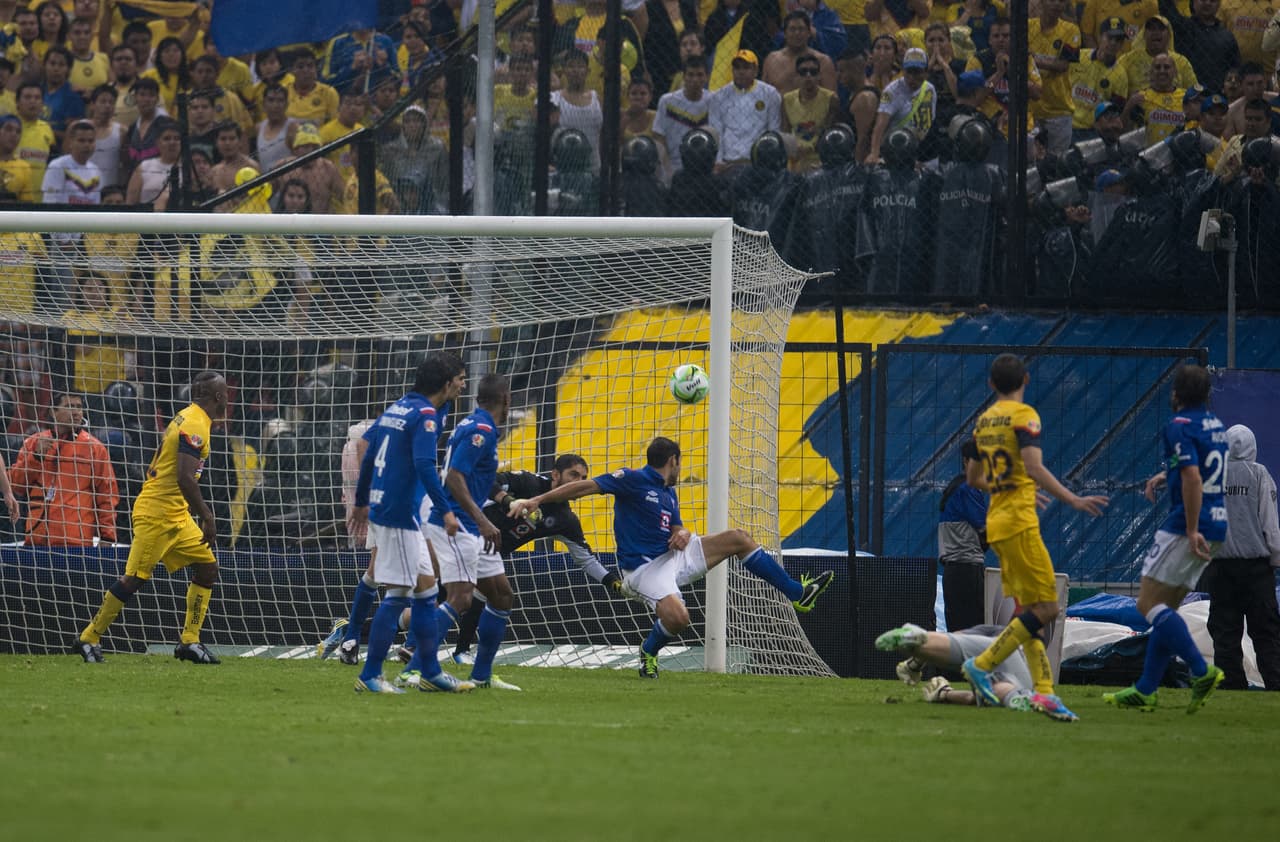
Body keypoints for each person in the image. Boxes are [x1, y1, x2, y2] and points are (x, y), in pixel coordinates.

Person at [514, 437, 836, 678]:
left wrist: (682, 531)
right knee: (679, 619)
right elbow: (583, 488)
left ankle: (798, 593)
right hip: (643, 569)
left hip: (676, 555)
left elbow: (675, 524)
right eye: (680, 464)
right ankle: (648, 650)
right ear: (673, 460)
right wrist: (537, 500)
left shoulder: (669, 491)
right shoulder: (632, 479)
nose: (681, 469)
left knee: (739, 538)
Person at [962, 354, 1109, 722]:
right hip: (1019, 523)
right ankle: (982, 664)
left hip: (997, 521)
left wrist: (1012, 485)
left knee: (1029, 613)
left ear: (991, 384)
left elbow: (974, 478)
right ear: (1026, 378)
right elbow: (1033, 466)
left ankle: (1044, 692)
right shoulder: (1024, 415)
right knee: (1048, 609)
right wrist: (1073, 498)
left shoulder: (984, 421)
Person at [72, 370, 230, 665]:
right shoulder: (195, 424)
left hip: (176, 513)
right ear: (219, 397)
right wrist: (208, 516)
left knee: (208, 567)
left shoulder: (189, 415)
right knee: (134, 579)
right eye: (226, 392)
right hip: (157, 512)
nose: (228, 396)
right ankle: (88, 637)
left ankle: (189, 641)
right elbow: (185, 477)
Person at [1103, 364, 1228, 712]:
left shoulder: (1177, 426)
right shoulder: (1215, 426)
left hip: (1187, 525)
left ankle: (1201, 671)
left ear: (1176, 394)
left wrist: (1189, 529)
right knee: (1167, 608)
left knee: (1147, 604)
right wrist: (1164, 474)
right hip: (1218, 523)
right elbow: (1200, 467)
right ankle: (1145, 689)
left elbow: (1191, 476)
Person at [345, 352, 472, 694]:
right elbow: (424, 465)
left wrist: (360, 501)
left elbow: (369, 452)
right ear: (446, 384)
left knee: (427, 590)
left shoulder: (398, 407)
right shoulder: (426, 416)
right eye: (459, 379)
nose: (463, 385)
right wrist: (445, 510)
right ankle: (370, 675)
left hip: (392, 509)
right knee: (400, 592)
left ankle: (429, 671)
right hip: (400, 512)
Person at [444, 456, 626, 665]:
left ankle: (457, 652)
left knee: (484, 595)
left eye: (584, 478)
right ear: (555, 475)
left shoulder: (566, 520)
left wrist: (615, 583)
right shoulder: (528, 482)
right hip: (459, 535)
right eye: (573, 475)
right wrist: (507, 500)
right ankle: (428, 648)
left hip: (488, 554)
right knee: (453, 597)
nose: (579, 482)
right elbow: (484, 481)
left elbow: (587, 560)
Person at [400, 373, 518, 691]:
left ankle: (481, 676)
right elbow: (454, 476)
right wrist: (482, 520)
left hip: (468, 525)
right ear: (506, 399)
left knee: (501, 595)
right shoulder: (480, 430)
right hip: (455, 525)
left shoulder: (474, 424)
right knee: (461, 598)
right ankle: (414, 668)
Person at [1198, 424, 1280, 690]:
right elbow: (1270, 523)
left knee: (1225, 633)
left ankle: (1232, 685)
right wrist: (1275, 558)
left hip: (1221, 568)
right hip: (1256, 568)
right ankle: (1275, 685)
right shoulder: (1259, 475)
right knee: (1266, 633)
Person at [8, 391, 118, 547]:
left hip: (75, 542)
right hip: (37, 541)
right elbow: (16, 485)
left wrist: (107, 537)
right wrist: (36, 457)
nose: (76, 412)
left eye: (79, 407)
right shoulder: (34, 443)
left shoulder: (95, 449)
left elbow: (107, 495)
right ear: (53, 411)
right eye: (69, 406)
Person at [875, 622, 1035, 710]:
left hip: (988, 645)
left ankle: (912, 636)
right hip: (1015, 654)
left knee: (943, 643)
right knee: (1003, 687)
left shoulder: (984, 630)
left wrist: (915, 664)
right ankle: (1015, 696)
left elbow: (952, 639)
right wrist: (946, 694)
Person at [938, 438, 988, 633]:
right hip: (967, 572)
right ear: (966, 461)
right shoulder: (967, 489)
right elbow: (987, 532)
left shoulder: (956, 488)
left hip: (954, 573)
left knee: (957, 633)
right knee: (973, 633)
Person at [708, 49, 782, 169]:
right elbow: (717, 131)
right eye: (737, 68)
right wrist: (718, 161)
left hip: (758, 162)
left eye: (746, 67)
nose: (741, 72)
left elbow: (774, 129)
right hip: (729, 162)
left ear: (756, 70)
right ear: (732, 70)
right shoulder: (718, 96)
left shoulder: (770, 94)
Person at [1029, 0, 1082, 154]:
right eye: (1052, 0)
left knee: (1056, 165)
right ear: (1042, 3)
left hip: (1059, 110)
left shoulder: (1071, 30)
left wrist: (1033, 59)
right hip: (1031, 109)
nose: (1057, 4)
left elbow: (1063, 65)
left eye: (1062, 1)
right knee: (1031, 163)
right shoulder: (1027, 27)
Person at [866, 47, 937, 162]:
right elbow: (880, 125)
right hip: (896, 149)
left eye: (917, 72)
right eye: (909, 71)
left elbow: (929, 122)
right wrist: (874, 153)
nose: (912, 77)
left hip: (922, 149)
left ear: (926, 72)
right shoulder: (892, 91)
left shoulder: (930, 90)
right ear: (903, 71)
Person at [1160, 0, 1241, 95]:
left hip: (1216, 100)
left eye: (1212, 0)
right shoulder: (1183, 27)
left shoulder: (1227, 37)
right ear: (1193, 2)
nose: (1207, 3)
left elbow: (1235, 69)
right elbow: (1166, 9)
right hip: (1185, 97)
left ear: (1219, 4)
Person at [1070, 17, 1130, 142]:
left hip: (1094, 131)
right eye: (1109, 38)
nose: (1113, 43)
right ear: (1100, 37)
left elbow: (1115, 112)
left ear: (1122, 44)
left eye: (1118, 40)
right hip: (1067, 123)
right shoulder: (1079, 56)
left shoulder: (1121, 74)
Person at [653, 55, 710, 179]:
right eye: (690, 75)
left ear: (707, 77)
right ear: (683, 76)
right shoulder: (667, 101)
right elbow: (659, 137)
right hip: (674, 167)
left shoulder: (714, 101)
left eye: (700, 75)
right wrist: (667, 171)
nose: (695, 79)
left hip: (706, 170)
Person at [783, 53, 841, 171]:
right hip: (795, 162)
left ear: (819, 76)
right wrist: (793, 149)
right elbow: (785, 132)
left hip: (822, 163)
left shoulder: (831, 99)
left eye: (813, 72)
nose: (808, 76)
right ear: (796, 76)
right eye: (803, 72)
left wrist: (810, 148)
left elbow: (829, 133)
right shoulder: (787, 100)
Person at [763, 11, 838, 95]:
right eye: (792, 29)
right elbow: (764, 96)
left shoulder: (823, 61)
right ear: (784, 33)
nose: (797, 33)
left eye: (801, 29)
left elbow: (832, 99)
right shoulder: (771, 60)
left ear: (809, 32)